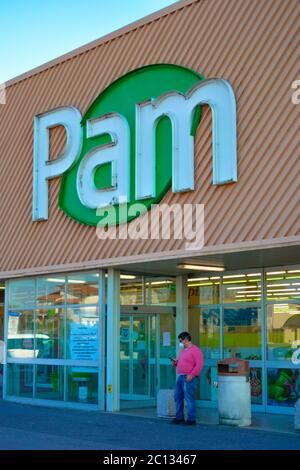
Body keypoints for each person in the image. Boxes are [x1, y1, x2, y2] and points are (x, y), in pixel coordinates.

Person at [171, 331, 203, 425]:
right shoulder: (183, 350)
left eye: (181, 341)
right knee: (178, 396)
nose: (180, 343)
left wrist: (192, 375)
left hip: (189, 377)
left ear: (186, 340)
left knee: (189, 397)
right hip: (181, 376)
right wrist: (176, 363)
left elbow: (199, 365)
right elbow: (182, 363)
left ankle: (191, 419)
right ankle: (179, 417)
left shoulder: (195, 350)